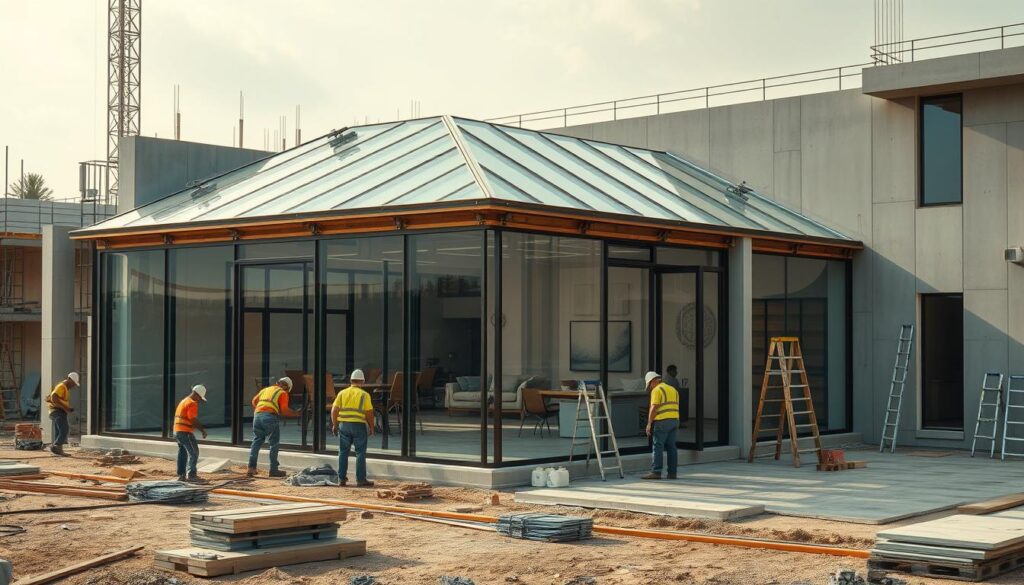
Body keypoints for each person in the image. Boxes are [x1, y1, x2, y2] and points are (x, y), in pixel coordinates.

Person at [247, 377, 300, 478]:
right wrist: (296, 413)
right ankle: (273, 470)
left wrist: (261, 410)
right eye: (288, 390)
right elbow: (284, 410)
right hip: (270, 417)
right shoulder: (283, 393)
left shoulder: (265, 389)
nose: (287, 392)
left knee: (257, 441)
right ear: (287, 387)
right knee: (273, 444)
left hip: (257, 416)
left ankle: (251, 468)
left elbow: (254, 401)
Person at [330, 369, 375, 487]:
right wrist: (371, 427)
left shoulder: (342, 393)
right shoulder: (365, 395)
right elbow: (369, 412)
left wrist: (335, 425)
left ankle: (341, 479)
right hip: (358, 426)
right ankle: (361, 480)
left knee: (343, 452)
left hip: (344, 425)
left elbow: (334, 410)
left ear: (350, 381)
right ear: (363, 381)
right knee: (360, 453)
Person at [641, 371, 680, 480]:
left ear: (653, 381)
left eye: (649, 385)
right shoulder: (673, 389)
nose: (650, 388)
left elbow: (654, 407)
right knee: (672, 447)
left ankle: (656, 472)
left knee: (657, 446)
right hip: (674, 421)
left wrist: (649, 423)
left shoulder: (657, 390)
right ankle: (672, 473)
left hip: (662, 421)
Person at [173, 385, 208, 482]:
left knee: (182, 452)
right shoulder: (192, 403)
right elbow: (193, 419)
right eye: (200, 398)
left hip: (177, 431)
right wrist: (203, 431)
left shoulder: (184, 401)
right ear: (197, 395)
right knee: (194, 452)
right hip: (185, 432)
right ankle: (192, 475)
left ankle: (181, 475)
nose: (199, 401)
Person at [45, 372, 79, 456]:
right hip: (57, 411)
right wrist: (65, 408)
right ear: (69, 379)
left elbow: (59, 399)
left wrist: (67, 408)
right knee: (64, 429)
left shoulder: (65, 388)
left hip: (57, 411)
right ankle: (56, 446)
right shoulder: (62, 386)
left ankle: (58, 450)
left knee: (59, 430)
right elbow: (54, 397)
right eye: (73, 383)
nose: (74, 385)